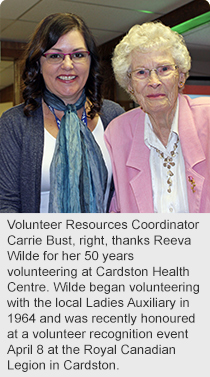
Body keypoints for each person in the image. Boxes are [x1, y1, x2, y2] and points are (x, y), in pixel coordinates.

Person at [0, 13, 124, 213]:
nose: (68, 65)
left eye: (78, 55)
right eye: (55, 55)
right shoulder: (14, 123)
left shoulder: (113, 116)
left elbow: (123, 193)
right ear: (39, 64)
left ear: (90, 61)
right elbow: (6, 203)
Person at [105, 21, 210, 213]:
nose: (154, 82)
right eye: (141, 72)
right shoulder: (117, 133)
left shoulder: (207, 119)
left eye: (163, 69)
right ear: (130, 85)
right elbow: (116, 209)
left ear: (181, 76)